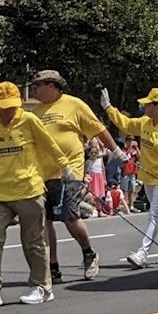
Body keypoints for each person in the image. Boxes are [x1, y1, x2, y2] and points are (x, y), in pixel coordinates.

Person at [0, 81, 73, 309]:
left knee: (33, 241)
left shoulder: (29, 120)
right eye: (3, 106)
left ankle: (42, 287)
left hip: (29, 190)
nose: (9, 110)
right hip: (1, 193)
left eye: (12, 105)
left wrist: (65, 167)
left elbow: (49, 144)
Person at [29, 69, 121, 283]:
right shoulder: (35, 113)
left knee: (70, 217)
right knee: (45, 221)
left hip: (70, 173)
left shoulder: (74, 105)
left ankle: (89, 253)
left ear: (51, 85)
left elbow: (97, 129)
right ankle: (52, 267)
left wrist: (115, 150)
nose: (35, 90)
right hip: (42, 174)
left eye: (38, 86)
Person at [102, 87, 158, 269]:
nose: (145, 106)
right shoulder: (146, 122)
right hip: (148, 176)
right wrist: (108, 107)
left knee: (154, 214)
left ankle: (142, 252)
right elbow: (126, 123)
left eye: (149, 104)